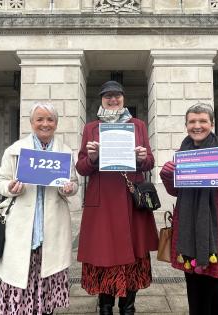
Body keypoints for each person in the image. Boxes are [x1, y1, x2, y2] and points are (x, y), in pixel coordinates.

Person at [76, 81, 158, 315]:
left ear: (123, 98)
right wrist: (92, 157)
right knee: (103, 252)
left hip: (131, 199)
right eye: (108, 96)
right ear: (101, 100)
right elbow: (81, 168)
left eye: (117, 96)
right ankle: (105, 306)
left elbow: (150, 161)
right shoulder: (91, 128)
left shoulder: (138, 125)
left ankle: (128, 305)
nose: (113, 100)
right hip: (102, 201)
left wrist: (143, 158)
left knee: (134, 252)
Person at [160, 103, 218, 315]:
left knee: (216, 287)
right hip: (188, 228)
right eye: (192, 121)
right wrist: (167, 175)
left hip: (216, 230)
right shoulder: (182, 153)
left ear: (212, 124)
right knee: (194, 288)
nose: (197, 126)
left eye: (202, 121)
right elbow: (175, 191)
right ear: (186, 125)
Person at [0, 102, 78, 315]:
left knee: (48, 274)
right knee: (20, 275)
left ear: (56, 123)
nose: (45, 124)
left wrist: (68, 188)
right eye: (39, 119)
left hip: (52, 226)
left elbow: (73, 183)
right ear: (31, 123)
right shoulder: (14, 151)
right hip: (22, 226)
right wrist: (10, 187)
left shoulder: (64, 152)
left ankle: (45, 310)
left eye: (50, 119)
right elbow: (0, 181)